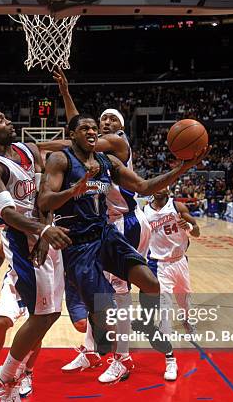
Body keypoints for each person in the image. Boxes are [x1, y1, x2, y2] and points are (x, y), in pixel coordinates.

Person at [38, 114, 209, 384]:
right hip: (78, 244)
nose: (93, 131)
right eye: (85, 128)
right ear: (72, 135)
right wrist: (74, 191)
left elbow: (143, 186)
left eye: (94, 127)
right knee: (107, 314)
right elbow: (45, 201)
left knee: (151, 284)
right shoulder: (61, 160)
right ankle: (114, 353)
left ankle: (139, 335)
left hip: (105, 233)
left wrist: (184, 167)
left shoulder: (107, 161)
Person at [47, 69, 153, 384]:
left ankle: (123, 357)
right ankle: (92, 349)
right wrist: (66, 93)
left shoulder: (117, 143)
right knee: (98, 290)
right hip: (104, 223)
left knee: (117, 293)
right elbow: (78, 129)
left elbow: (76, 136)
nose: (105, 122)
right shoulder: (94, 144)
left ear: (121, 127)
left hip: (125, 222)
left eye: (111, 119)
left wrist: (34, 146)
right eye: (102, 119)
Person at [0, 110, 71, 402]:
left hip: (45, 232)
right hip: (23, 242)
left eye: (6, 118)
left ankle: (8, 375)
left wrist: (46, 227)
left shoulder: (28, 150)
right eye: (0, 121)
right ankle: (4, 379)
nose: (9, 122)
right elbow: (8, 215)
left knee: (52, 314)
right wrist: (41, 231)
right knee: (40, 315)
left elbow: (44, 194)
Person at [0, 242, 36, 398]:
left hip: (41, 281)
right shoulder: (14, 224)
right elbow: (1, 254)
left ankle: (26, 374)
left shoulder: (48, 224)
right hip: (15, 280)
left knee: (36, 329)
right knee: (3, 321)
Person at [144, 188, 200, 343]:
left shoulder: (177, 207)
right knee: (164, 301)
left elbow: (197, 232)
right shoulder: (144, 211)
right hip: (160, 263)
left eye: (163, 185)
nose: (159, 188)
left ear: (168, 190)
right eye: (157, 185)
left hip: (180, 260)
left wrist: (188, 226)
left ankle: (189, 324)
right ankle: (165, 332)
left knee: (184, 299)